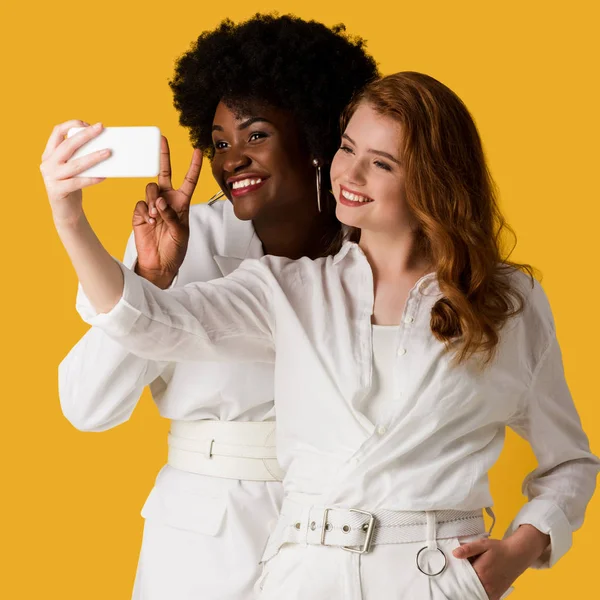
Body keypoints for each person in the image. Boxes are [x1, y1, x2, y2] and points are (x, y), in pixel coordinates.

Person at [44, 72, 599, 600]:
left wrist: (521, 549)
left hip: (434, 574)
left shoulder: (510, 302)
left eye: (379, 163)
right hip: (293, 565)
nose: (350, 175)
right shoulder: (291, 288)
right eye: (348, 148)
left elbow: (569, 460)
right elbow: (144, 321)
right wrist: (72, 220)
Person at [51, 14, 377, 600]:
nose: (232, 160)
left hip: (344, 531)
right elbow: (87, 406)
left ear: (315, 135)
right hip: (201, 541)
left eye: (255, 135)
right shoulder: (179, 239)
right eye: (221, 141)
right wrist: (152, 279)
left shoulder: (375, 247)